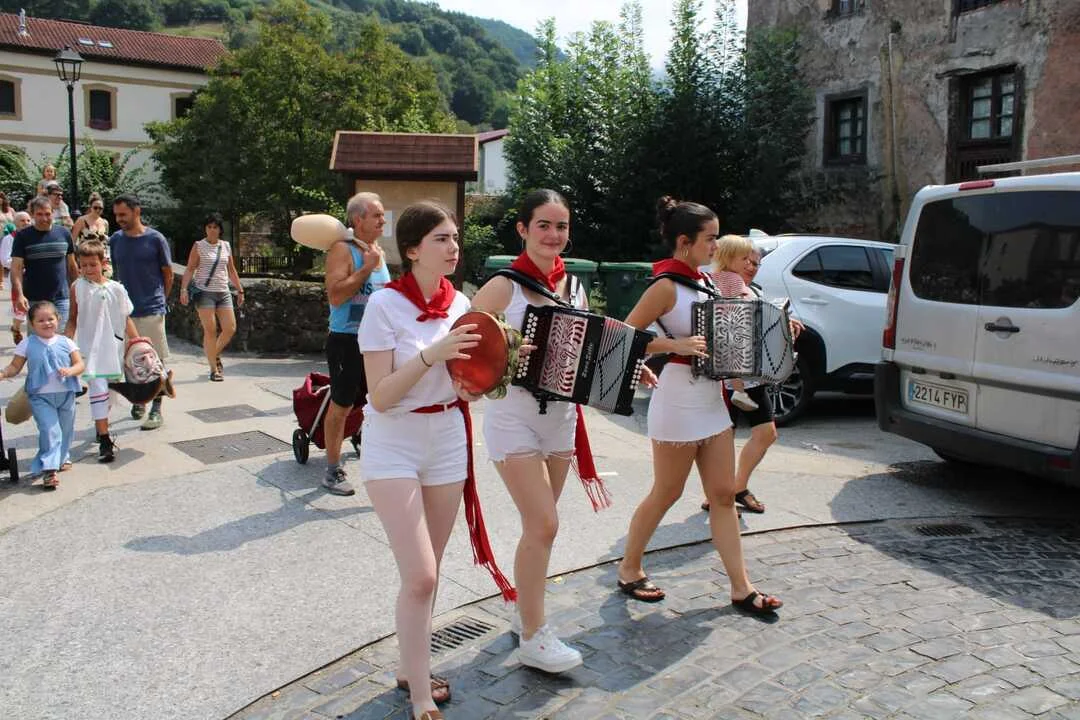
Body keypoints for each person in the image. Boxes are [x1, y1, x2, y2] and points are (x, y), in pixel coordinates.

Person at [357, 201, 511, 720]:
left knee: (430, 569)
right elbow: (380, 397)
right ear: (413, 250)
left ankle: (410, 667)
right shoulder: (384, 305)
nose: (454, 247)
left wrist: (492, 372)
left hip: (446, 437)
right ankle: (421, 696)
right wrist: (431, 354)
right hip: (393, 441)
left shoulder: (461, 303)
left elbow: (464, 383)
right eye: (442, 239)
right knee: (421, 575)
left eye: (455, 238)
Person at [615, 196, 782, 615]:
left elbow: (740, 325)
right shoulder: (665, 286)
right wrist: (674, 345)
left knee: (723, 496)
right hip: (676, 401)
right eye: (710, 238)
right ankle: (629, 568)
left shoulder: (708, 281)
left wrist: (781, 325)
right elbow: (623, 336)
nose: (716, 245)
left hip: (711, 401)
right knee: (667, 493)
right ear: (684, 242)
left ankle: (741, 588)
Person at [469, 189, 610, 673]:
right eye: (543, 225)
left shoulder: (574, 286)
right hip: (513, 419)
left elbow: (582, 351)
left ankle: (523, 611)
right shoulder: (502, 287)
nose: (553, 235)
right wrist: (508, 354)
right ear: (523, 230)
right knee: (545, 523)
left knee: (539, 528)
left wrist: (621, 370)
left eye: (561, 226)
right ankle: (534, 635)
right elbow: (463, 350)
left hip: (561, 421)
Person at [701, 243, 803, 514]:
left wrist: (783, 321)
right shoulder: (728, 281)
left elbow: (758, 316)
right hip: (730, 376)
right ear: (727, 257)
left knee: (758, 434)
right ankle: (724, 493)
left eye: (756, 263)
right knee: (736, 438)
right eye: (745, 259)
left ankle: (732, 490)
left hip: (745, 377)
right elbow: (738, 317)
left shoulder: (743, 286)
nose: (751, 266)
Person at [321, 191, 391, 495]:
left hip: (378, 341)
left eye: (383, 214)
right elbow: (336, 295)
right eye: (377, 215)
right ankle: (332, 470)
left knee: (380, 401)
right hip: (347, 340)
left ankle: (378, 455)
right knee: (342, 404)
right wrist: (365, 268)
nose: (383, 220)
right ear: (358, 219)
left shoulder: (377, 252)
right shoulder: (342, 250)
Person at [65, 240, 137, 463]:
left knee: (109, 394)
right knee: (98, 390)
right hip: (90, 349)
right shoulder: (77, 287)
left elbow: (126, 318)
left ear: (103, 263)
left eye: (92, 265)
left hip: (113, 348)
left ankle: (101, 425)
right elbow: (73, 318)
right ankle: (105, 441)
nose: (87, 269)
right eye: (83, 265)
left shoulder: (117, 288)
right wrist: (64, 344)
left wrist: (138, 342)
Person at [0, 300, 84, 489]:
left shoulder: (67, 342)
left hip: (66, 395)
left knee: (66, 429)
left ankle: (62, 457)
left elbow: (80, 364)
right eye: (41, 320)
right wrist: (4, 373)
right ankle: (49, 469)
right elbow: (15, 366)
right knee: (50, 430)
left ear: (58, 319)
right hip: (40, 397)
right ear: (32, 323)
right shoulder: (27, 344)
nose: (47, 323)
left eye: (50, 319)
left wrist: (71, 371)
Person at [109, 194, 173, 431]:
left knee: (154, 362)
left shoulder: (155, 239)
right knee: (130, 360)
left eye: (123, 214)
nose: (119, 219)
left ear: (137, 212)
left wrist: (160, 300)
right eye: (116, 215)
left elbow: (168, 273)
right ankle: (139, 399)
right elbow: (115, 273)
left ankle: (156, 408)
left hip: (151, 308)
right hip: (124, 312)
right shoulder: (115, 240)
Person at [179, 212, 243, 381]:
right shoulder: (199, 246)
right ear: (205, 229)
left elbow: (231, 270)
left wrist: (240, 290)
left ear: (220, 229)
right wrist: (183, 289)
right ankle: (214, 369)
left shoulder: (225, 246)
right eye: (209, 227)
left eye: (215, 227)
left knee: (230, 328)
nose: (212, 230)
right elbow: (190, 269)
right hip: (205, 292)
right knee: (211, 330)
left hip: (223, 291)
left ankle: (213, 354)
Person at [10, 196, 77, 329]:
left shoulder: (64, 233)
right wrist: (19, 295)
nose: (44, 218)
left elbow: (72, 266)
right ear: (32, 215)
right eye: (39, 214)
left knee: (62, 338)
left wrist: (78, 292)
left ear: (53, 213)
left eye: (47, 214)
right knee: (38, 339)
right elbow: (16, 269)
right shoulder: (23, 237)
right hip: (34, 299)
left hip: (62, 298)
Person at [2, 211, 32, 344]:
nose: (26, 223)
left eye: (28, 220)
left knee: (35, 306)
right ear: (15, 223)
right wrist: (20, 263)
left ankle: (35, 338)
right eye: (22, 220)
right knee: (21, 309)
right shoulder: (9, 239)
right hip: (18, 277)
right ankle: (16, 328)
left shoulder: (34, 236)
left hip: (34, 275)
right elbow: (4, 260)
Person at [71, 192, 111, 273]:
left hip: (101, 259)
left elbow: (105, 243)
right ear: (90, 207)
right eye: (95, 208)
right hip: (86, 259)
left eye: (100, 208)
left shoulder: (105, 222)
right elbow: (72, 242)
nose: (98, 210)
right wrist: (75, 260)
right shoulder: (81, 220)